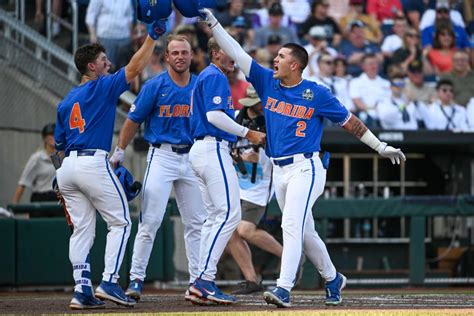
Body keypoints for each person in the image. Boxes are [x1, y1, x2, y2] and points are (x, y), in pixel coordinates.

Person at [200, 8, 406, 307]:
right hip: (281, 171)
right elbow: (236, 50)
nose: (275, 60)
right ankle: (333, 277)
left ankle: (283, 287)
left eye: (281, 57)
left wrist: (380, 146)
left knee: (292, 225)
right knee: (306, 233)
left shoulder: (317, 93)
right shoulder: (267, 82)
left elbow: (350, 122)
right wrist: (214, 24)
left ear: (295, 65)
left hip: (306, 167)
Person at [54, 20, 167, 310]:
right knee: (121, 221)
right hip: (92, 161)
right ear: (91, 67)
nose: (108, 64)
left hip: (67, 168)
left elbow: (59, 148)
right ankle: (109, 281)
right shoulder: (101, 87)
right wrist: (152, 38)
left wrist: (60, 180)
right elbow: (134, 67)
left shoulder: (66, 101)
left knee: (82, 231)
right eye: (103, 61)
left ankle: (82, 290)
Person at [107, 35, 206, 304]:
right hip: (162, 155)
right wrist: (119, 150)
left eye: (185, 52)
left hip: (192, 155)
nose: (180, 57)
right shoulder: (155, 85)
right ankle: (137, 278)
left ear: (191, 55)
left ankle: (197, 281)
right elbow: (133, 119)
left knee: (196, 223)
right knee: (150, 221)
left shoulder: (201, 84)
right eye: (175, 52)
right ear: (166, 57)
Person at [187, 37, 266, 305]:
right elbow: (214, 117)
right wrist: (247, 132)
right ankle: (204, 281)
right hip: (211, 148)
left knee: (213, 218)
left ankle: (198, 279)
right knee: (229, 216)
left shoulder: (206, 76)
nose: (234, 55)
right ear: (215, 53)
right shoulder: (215, 75)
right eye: (228, 50)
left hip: (203, 150)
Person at [226, 85, 283, 295]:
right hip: (236, 183)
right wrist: (241, 157)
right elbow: (222, 149)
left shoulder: (273, 121)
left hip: (260, 185)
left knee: (245, 230)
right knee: (230, 233)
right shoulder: (233, 118)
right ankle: (251, 280)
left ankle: (289, 256)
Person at [12, 123, 58, 203]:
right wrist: (12, 208)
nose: (53, 137)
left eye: (56, 134)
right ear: (44, 138)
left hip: (57, 198)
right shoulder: (37, 158)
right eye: (50, 134)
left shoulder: (60, 157)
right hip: (41, 198)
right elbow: (23, 182)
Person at [85, 0, 134, 70]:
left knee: (124, 71)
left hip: (124, 38)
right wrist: (93, 35)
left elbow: (130, 17)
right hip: (105, 38)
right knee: (106, 69)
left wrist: (130, 36)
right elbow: (91, 16)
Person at [349, 53, 391, 128]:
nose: (374, 66)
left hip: (387, 118)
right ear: (363, 66)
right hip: (367, 119)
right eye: (371, 64)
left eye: (375, 63)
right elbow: (358, 103)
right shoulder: (355, 82)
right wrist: (374, 109)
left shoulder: (386, 83)